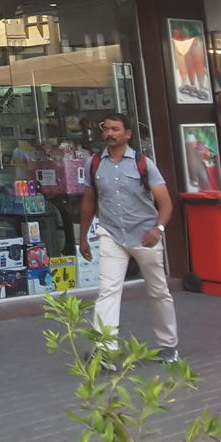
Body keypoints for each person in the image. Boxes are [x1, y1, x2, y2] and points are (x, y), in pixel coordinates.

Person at [78, 112, 177, 363]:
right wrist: (83, 237)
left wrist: (159, 229)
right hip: (111, 234)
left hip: (145, 236)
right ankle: (104, 350)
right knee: (108, 291)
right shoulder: (94, 163)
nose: (109, 133)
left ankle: (168, 346)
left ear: (127, 134)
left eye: (116, 129)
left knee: (158, 291)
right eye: (107, 129)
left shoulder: (144, 163)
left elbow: (166, 203)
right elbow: (89, 201)